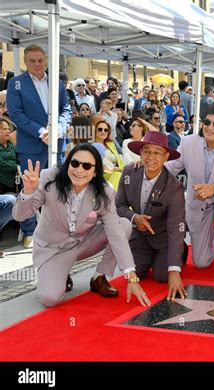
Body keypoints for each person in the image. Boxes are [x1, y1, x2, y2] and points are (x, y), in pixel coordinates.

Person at [12, 144, 151, 308]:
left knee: (124, 225)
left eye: (86, 166)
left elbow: (116, 233)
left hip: (84, 243)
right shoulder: (49, 178)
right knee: (50, 299)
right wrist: (28, 192)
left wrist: (131, 276)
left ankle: (99, 277)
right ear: (68, 164)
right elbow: (19, 216)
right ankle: (61, 274)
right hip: (53, 250)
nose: (79, 170)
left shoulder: (104, 192)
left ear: (95, 172)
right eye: (75, 163)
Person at [165, 102, 214, 269]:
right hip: (198, 204)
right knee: (201, 263)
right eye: (207, 122)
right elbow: (172, 167)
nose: (210, 128)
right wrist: (149, 167)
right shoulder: (188, 143)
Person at [6, 44, 72, 248]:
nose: (37, 64)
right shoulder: (16, 83)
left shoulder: (57, 83)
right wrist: (41, 131)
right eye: (32, 60)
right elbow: (16, 114)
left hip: (56, 145)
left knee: (58, 188)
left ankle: (58, 229)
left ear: (46, 60)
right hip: (31, 144)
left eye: (40, 60)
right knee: (30, 189)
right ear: (25, 61)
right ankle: (29, 231)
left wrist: (59, 130)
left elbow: (66, 109)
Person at [116, 132, 187, 300]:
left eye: (157, 152)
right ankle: (149, 258)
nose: (150, 157)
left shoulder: (174, 187)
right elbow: (118, 205)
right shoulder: (128, 172)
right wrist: (134, 217)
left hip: (164, 238)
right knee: (136, 272)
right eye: (146, 151)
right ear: (140, 153)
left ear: (166, 157)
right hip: (140, 236)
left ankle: (178, 253)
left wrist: (174, 270)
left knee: (162, 276)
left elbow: (176, 227)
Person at [0, 117, 18, 242]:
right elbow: (1, 164)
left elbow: (18, 160)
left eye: (8, 129)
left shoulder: (11, 145)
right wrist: (16, 166)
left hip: (13, 182)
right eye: (4, 129)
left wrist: (15, 165)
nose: (8, 131)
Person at [93, 120, 123, 190]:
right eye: (100, 129)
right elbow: (102, 165)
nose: (103, 131)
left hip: (118, 171)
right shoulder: (93, 146)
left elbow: (119, 159)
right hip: (103, 174)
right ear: (95, 131)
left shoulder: (111, 144)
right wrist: (118, 170)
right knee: (117, 175)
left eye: (106, 130)